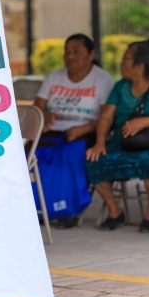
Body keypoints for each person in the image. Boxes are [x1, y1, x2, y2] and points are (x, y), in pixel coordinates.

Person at [86, 39, 149, 232]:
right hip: (124, 141)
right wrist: (99, 143)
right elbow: (106, 116)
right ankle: (115, 211)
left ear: (140, 65)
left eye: (125, 58)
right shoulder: (121, 86)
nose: (121, 62)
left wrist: (143, 121)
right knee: (93, 159)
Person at [34, 33, 114, 229]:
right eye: (67, 52)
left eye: (76, 51)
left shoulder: (102, 79)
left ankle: (68, 209)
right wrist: (45, 113)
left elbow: (109, 116)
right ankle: (39, 207)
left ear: (90, 54)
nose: (70, 56)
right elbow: (38, 106)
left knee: (71, 156)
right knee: (32, 155)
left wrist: (84, 128)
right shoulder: (55, 76)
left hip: (86, 130)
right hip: (53, 130)